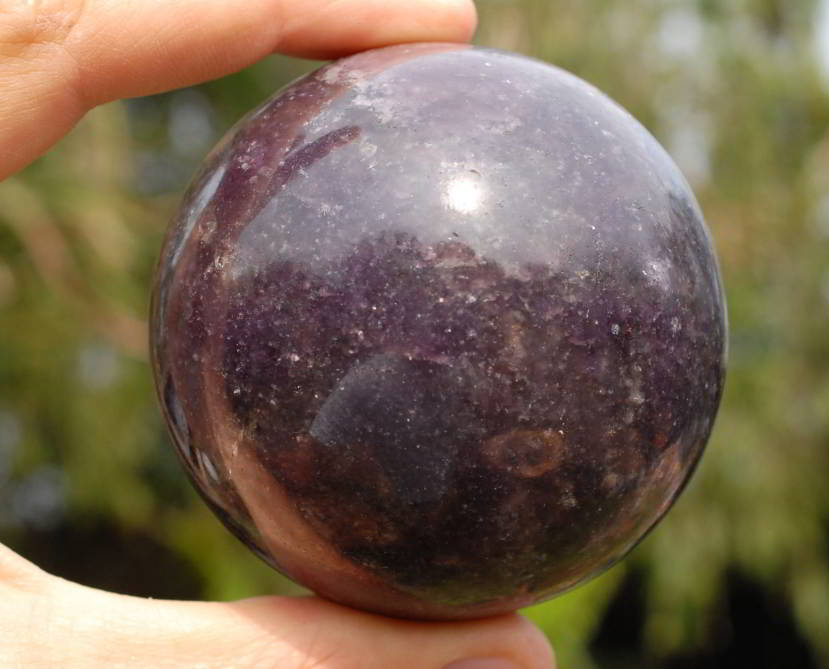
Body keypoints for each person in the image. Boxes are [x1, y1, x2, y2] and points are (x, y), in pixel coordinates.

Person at [0, 1, 554, 667]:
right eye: (453, 282)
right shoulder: (373, 381)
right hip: (377, 529)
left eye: (473, 286)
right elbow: (314, 456)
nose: (463, 308)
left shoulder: (484, 388)